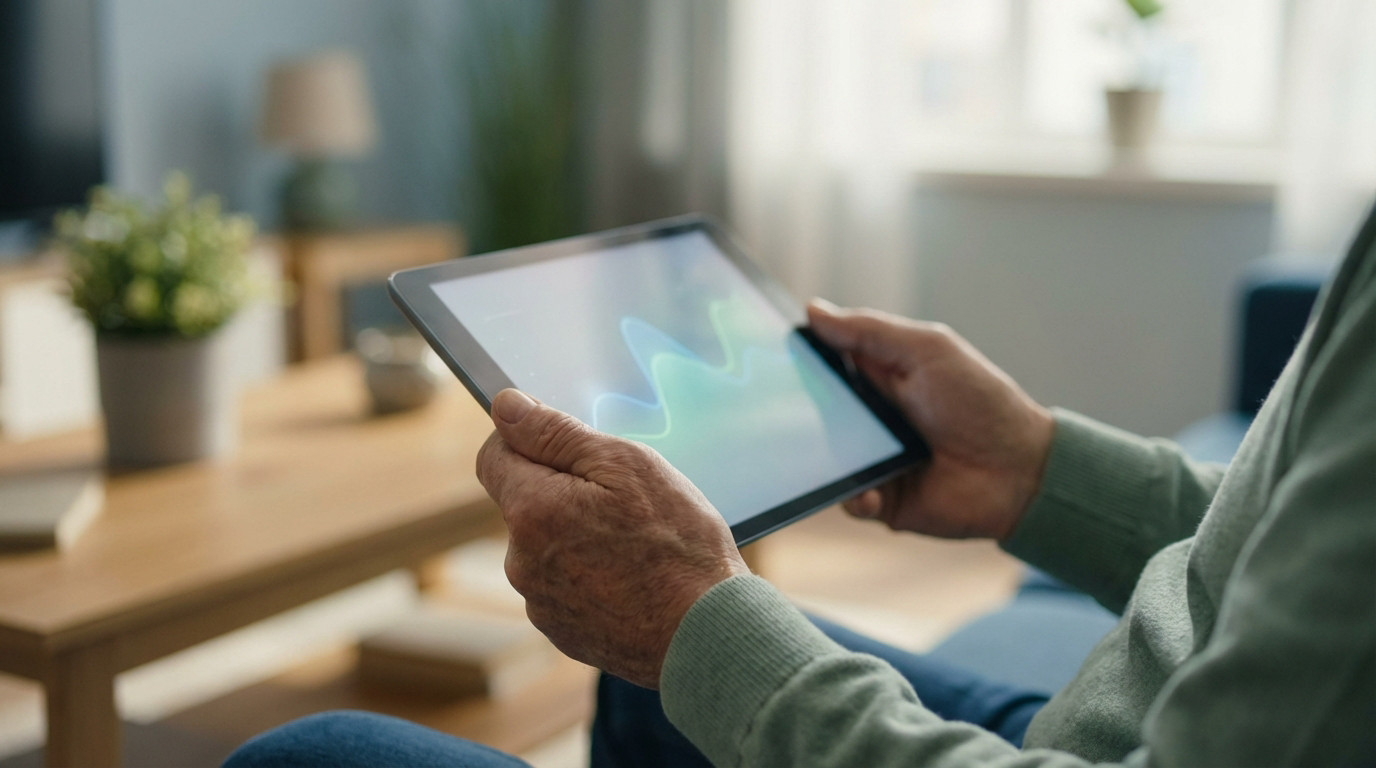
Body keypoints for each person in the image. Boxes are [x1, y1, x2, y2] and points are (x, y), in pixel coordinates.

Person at [225, 205, 1376, 768]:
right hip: (1145, 714)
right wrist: (1037, 470)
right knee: (646, 688)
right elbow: (1300, 552)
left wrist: (694, 620)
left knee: (310, 758)